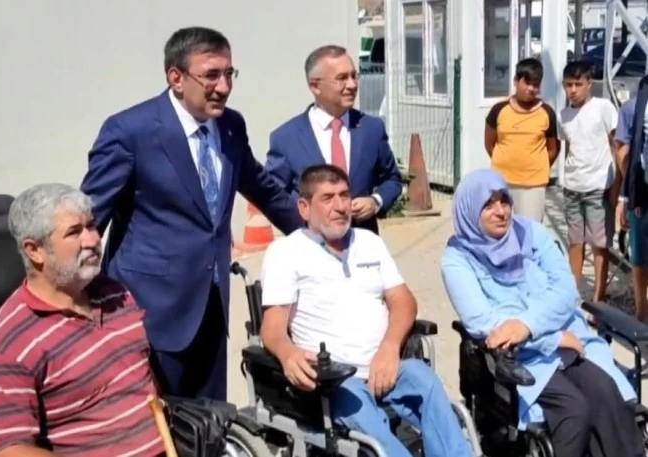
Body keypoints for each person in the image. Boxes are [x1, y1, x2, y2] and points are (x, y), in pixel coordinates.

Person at [80, 26, 303, 401]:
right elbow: (89, 218)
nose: (224, 86)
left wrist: (317, 233)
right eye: (211, 75)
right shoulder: (130, 131)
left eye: (229, 73)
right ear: (176, 78)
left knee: (209, 421)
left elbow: (261, 186)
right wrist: (67, 294)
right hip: (149, 313)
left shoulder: (230, 126)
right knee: (155, 422)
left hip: (211, 305)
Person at [259, 164, 473, 457]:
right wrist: (287, 354)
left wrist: (389, 347)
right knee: (367, 423)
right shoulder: (286, 253)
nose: (340, 206)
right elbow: (272, 327)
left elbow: (403, 301)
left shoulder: (369, 243)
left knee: (425, 380)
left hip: (386, 365)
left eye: (344, 195)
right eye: (328, 198)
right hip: (336, 381)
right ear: (304, 208)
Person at [441, 169, 644, 457]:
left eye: (504, 200)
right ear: (469, 211)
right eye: (488, 204)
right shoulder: (457, 259)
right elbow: (484, 323)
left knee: (606, 394)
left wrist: (526, 325)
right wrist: (553, 339)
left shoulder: (530, 233)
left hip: (570, 343)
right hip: (519, 358)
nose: (501, 211)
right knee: (575, 411)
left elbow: (566, 290)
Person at [0, 184, 165, 457]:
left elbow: (142, 379)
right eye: (74, 232)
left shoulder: (115, 294)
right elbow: (7, 450)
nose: (92, 240)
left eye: (91, 226)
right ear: (34, 250)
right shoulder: (6, 346)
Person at [264, 44, 401, 234]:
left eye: (354, 76)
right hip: (310, 244)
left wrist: (375, 201)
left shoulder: (372, 129)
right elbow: (273, 197)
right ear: (315, 86)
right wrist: (306, 223)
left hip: (360, 241)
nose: (352, 85)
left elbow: (392, 179)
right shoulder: (286, 138)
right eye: (342, 78)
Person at [556, 61, 619, 302]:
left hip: (598, 187)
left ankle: (598, 298)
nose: (572, 90)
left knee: (599, 244)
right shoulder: (563, 116)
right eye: (568, 85)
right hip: (572, 187)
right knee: (575, 241)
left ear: (589, 83)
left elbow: (617, 145)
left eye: (577, 84)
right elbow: (568, 147)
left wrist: (617, 186)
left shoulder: (603, 108)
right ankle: (574, 293)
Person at [484, 57, 560, 222]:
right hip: (502, 182)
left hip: (533, 185)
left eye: (535, 85)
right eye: (527, 83)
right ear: (516, 81)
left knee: (530, 230)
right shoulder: (499, 109)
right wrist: (505, 162)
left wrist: (535, 166)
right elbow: (489, 144)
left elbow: (553, 149)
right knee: (501, 226)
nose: (531, 89)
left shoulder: (547, 113)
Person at [615, 75, 648, 322]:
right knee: (640, 255)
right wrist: (625, 197)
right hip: (641, 192)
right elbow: (623, 152)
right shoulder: (632, 108)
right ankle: (641, 311)